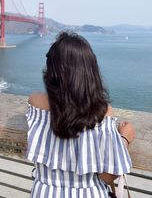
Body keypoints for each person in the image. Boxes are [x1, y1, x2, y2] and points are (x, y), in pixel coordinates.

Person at [26, 31, 135, 198]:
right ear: (89, 72)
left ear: (52, 71)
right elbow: (108, 175)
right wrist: (124, 139)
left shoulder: (35, 102)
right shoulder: (102, 112)